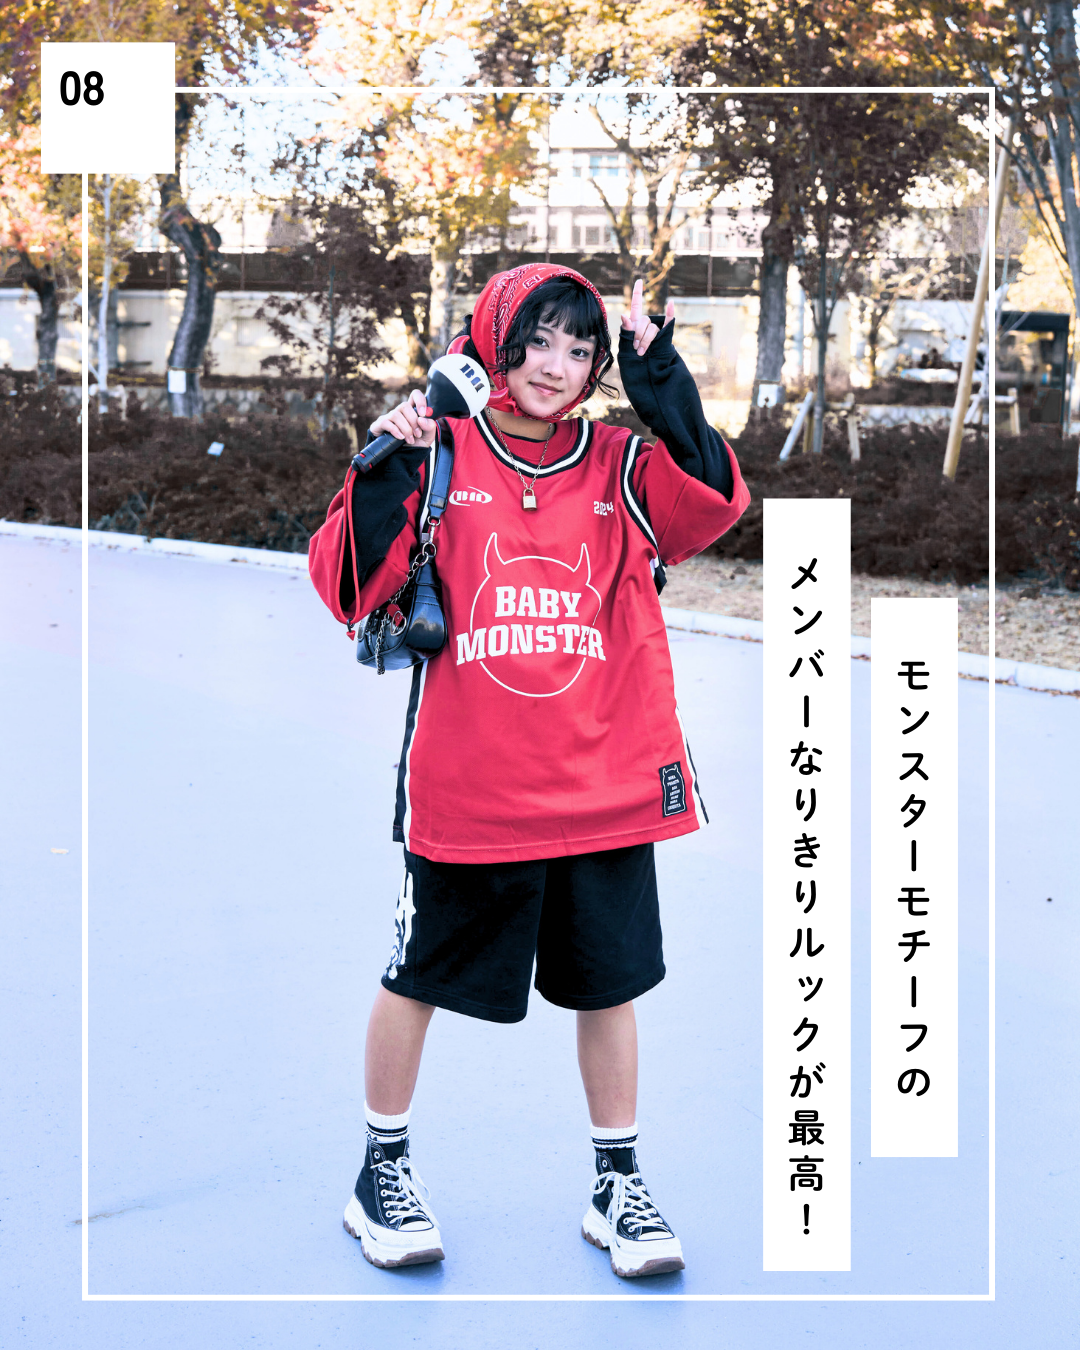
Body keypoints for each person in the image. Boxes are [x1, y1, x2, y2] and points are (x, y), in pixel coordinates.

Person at [308, 263, 750, 1279]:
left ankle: (617, 1183)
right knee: (416, 978)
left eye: (580, 349)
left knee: (610, 988)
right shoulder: (439, 451)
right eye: (538, 342)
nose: (557, 366)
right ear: (493, 344)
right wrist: (392, 455)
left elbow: (709, 506)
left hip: (606, 783)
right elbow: (344, 583)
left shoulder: (619, 463)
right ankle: (380, 1170)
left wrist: (662, 383)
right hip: (472, 788)